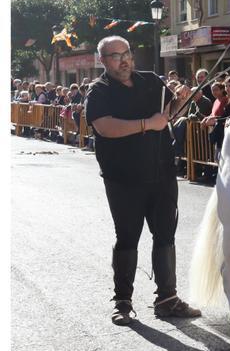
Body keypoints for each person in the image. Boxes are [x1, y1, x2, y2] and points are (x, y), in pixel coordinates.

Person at [84, 35, 201, 326]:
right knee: (127, 238)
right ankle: (122, 301)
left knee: (165, 235)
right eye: (115, 56)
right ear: (103, 60)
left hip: (161, 173)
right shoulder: (99, 91)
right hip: (123, 179)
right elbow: (105, 127)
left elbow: (168, 115)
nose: (124, 60)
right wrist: (147, 124)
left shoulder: (150, 80)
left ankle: (167, 298)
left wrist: (182, 102)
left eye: (126, 53)